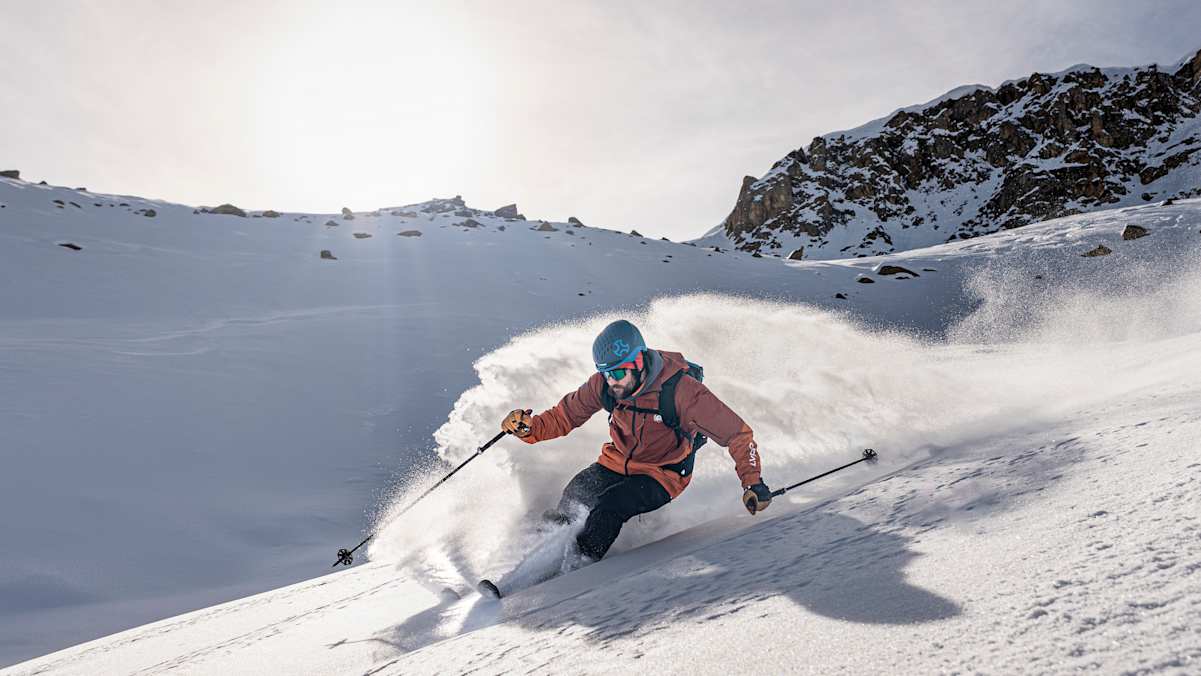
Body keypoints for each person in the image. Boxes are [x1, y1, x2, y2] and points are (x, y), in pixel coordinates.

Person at [501, 319, 773, 565]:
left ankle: (577, 567)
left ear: (640, 362)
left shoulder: (682, 392)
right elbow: (563, 416)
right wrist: (528, 429)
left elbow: (738, 434)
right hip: (617, 461)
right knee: (577, 491)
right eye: (606, 374)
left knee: (611, 505)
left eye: (619, 374)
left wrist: (752, 482)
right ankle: (533, 555)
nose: (612, 382)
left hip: (664, 473)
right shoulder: (605, 385)